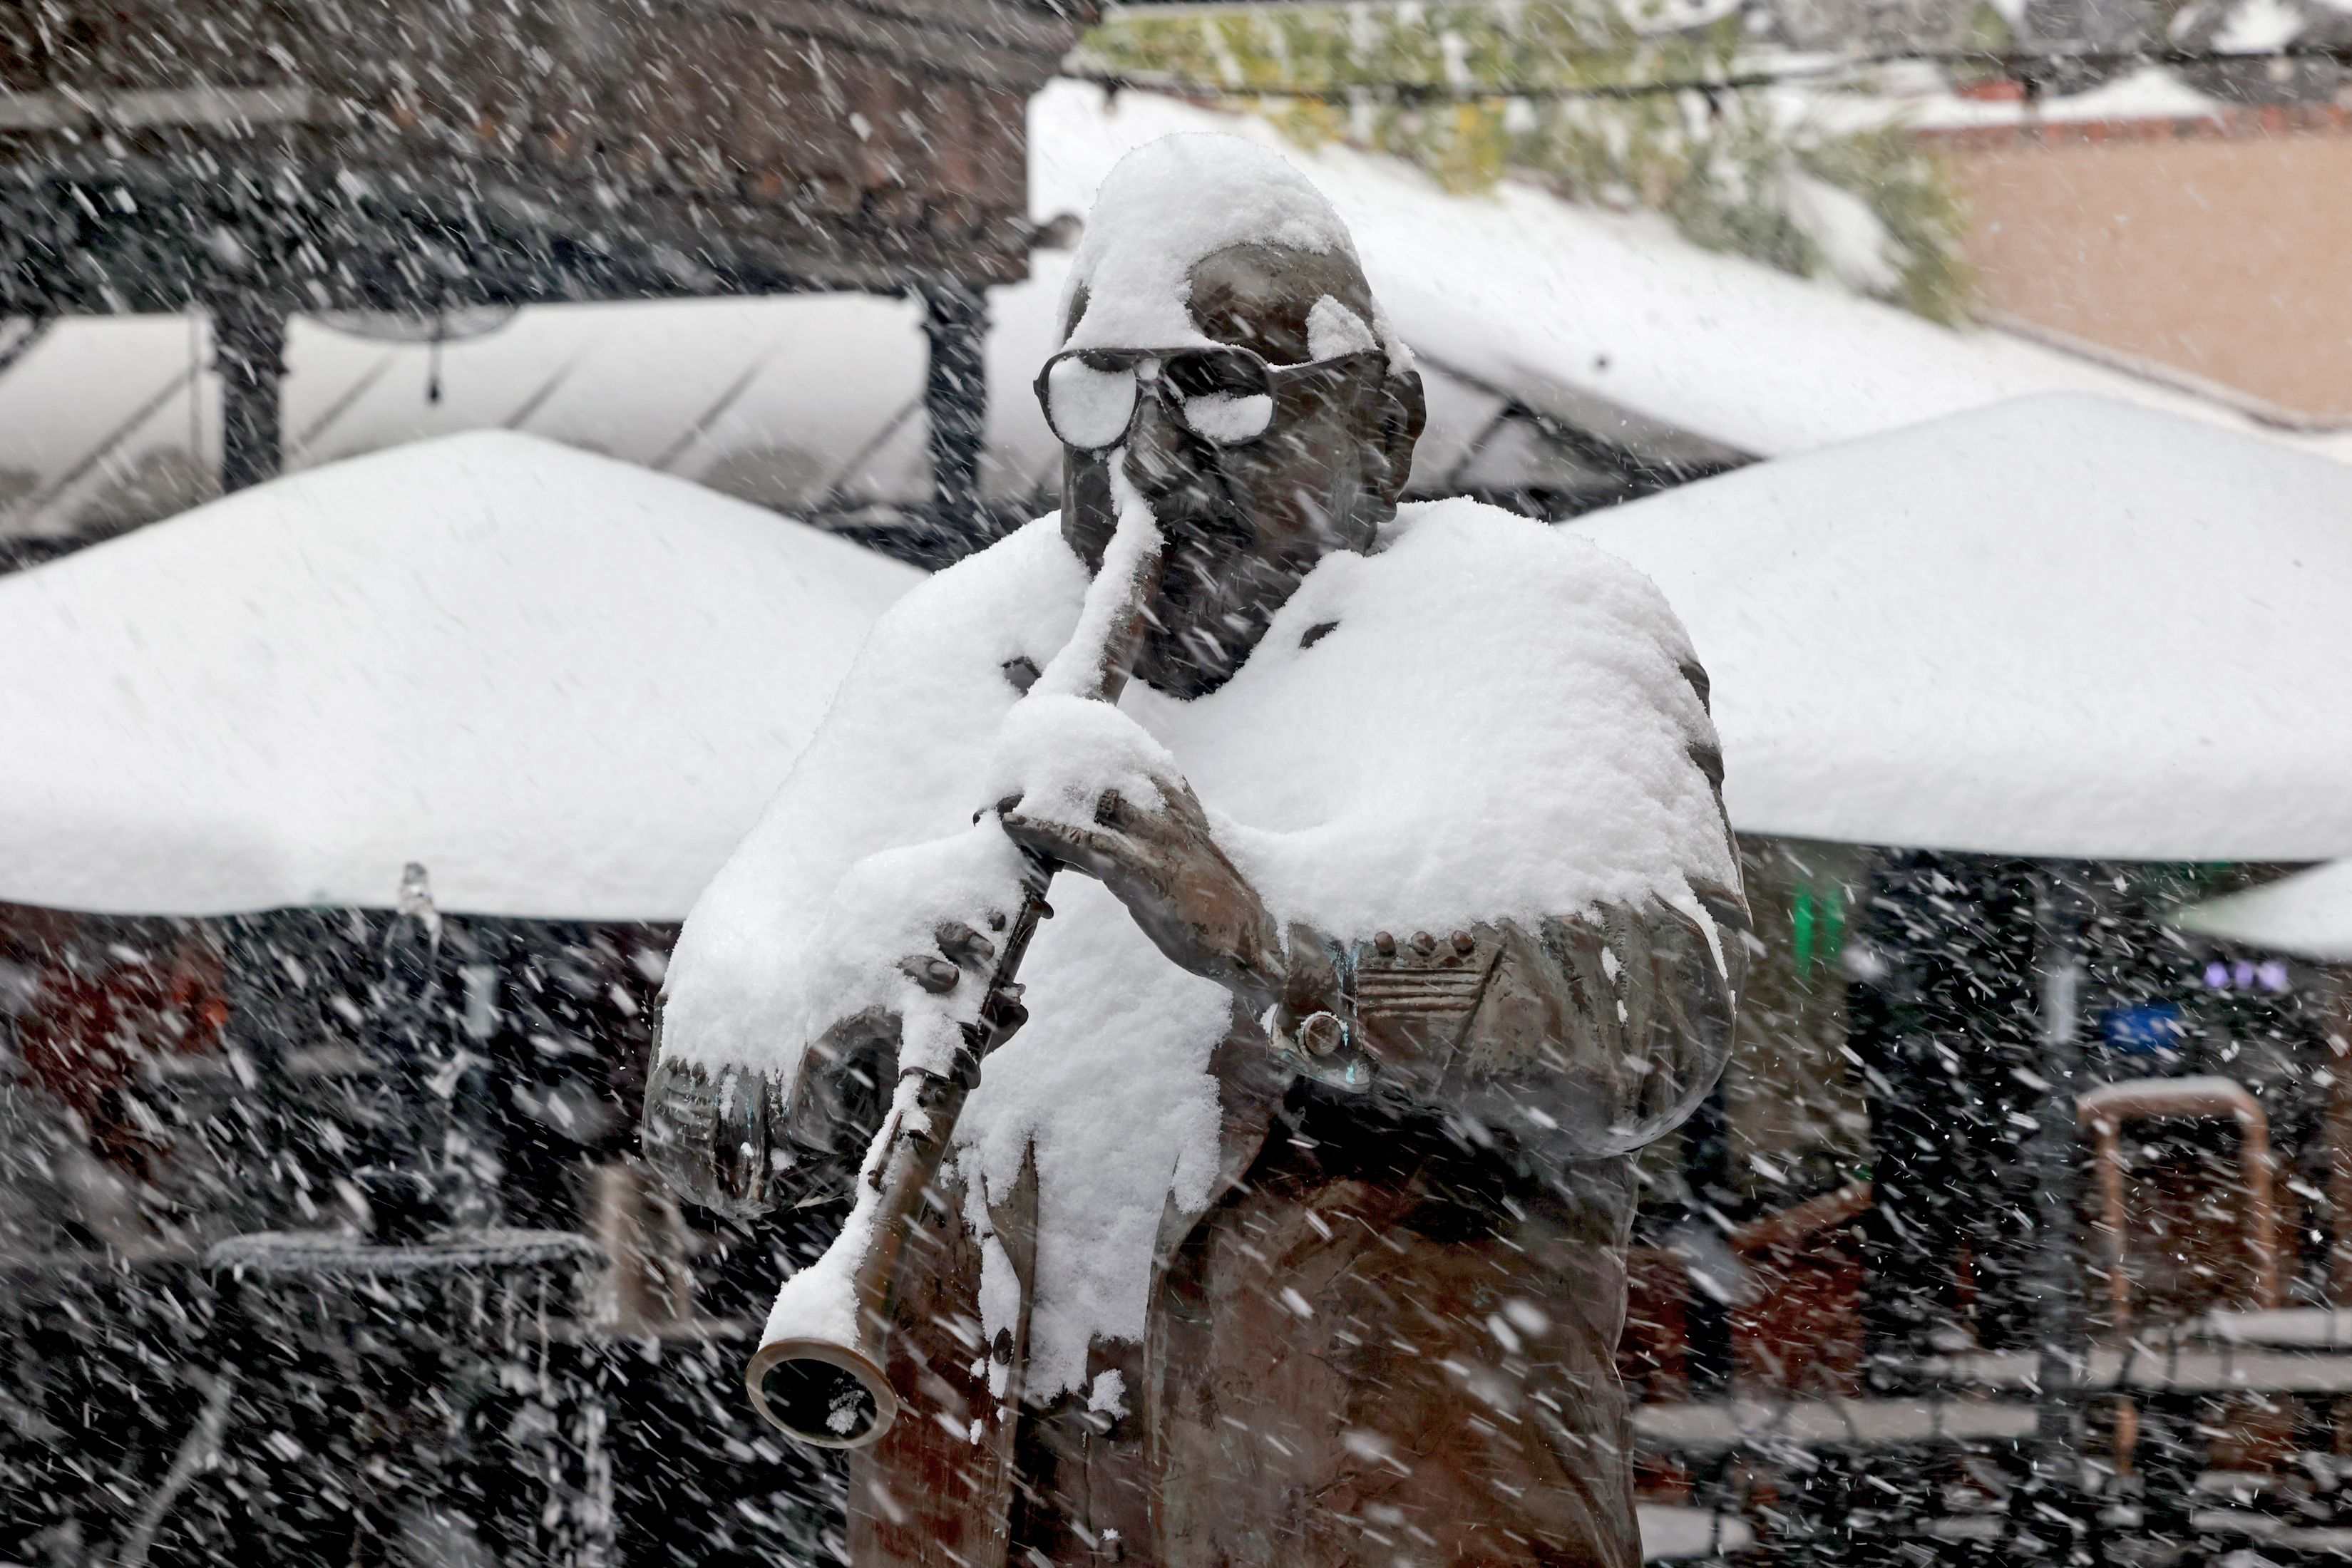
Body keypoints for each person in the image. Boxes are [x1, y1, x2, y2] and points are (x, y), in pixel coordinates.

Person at [645, 133, 1746, 1568]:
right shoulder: (965, 644)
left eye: (1226, 392)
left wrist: (1274, 941)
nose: (1154, 458)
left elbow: (1647, 1016)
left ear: (1384, 421)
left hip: (1379, 1518)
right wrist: (833, 1001)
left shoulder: (1541, 626)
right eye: (1107, 390)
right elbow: (694, 1110)